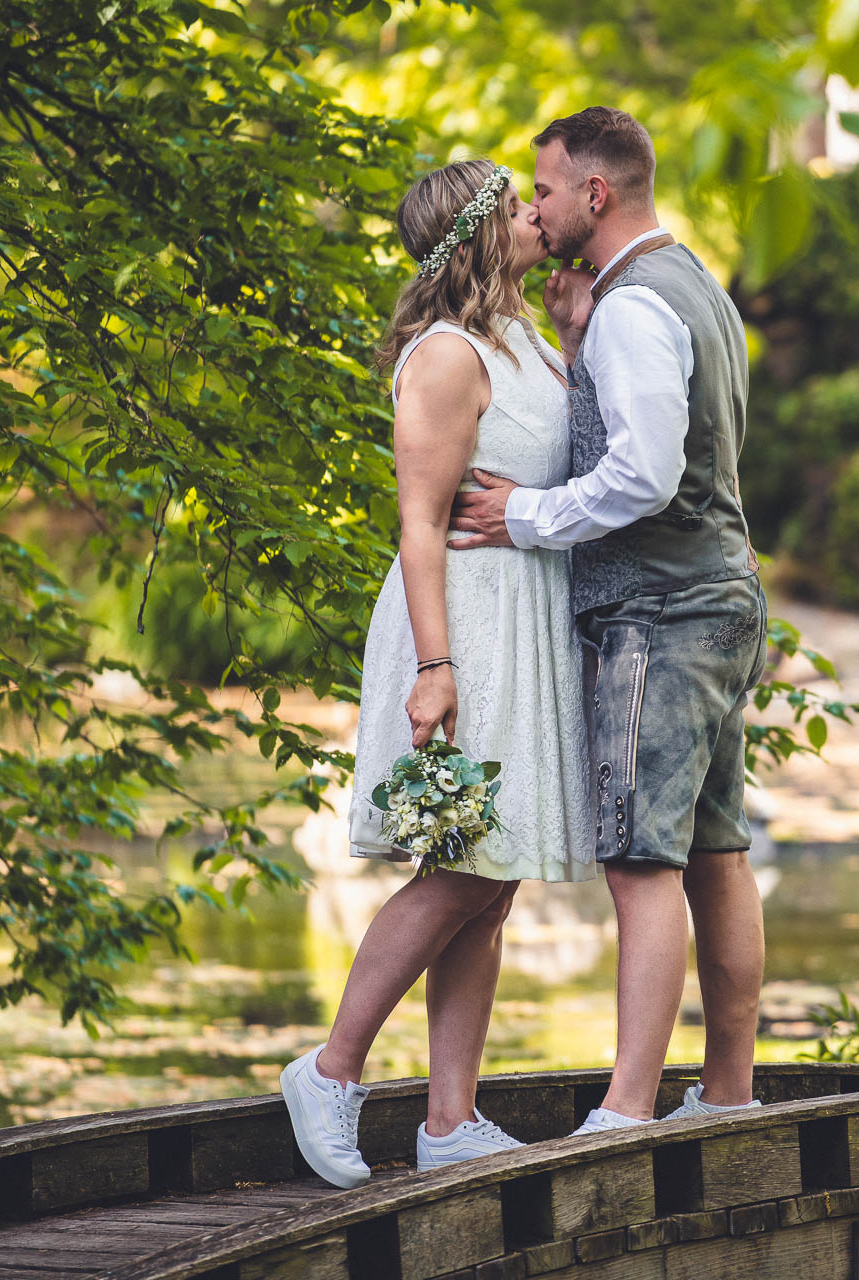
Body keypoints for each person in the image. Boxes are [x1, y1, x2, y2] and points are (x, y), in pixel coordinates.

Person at [449, 106, 770, 1135]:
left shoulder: (636, 307)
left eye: (542, 190)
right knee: (717, 852)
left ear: (597, 193)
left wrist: (523, 514)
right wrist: (580, 333)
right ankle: (726, 1090)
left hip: (660, 610)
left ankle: (627, 1108)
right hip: (721, 595)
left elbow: (643, 472)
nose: (532, 208)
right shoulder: (693, 286)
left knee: (640, 864)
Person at [279, 158, 594, 1189]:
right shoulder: (446, 355)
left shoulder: (524, 338)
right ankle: (329, 1069)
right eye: (515, 206)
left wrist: (577, 329)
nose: (535, 214)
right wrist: (435, 666)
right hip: (465, 619)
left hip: (526, 610)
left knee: (490, 879)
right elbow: (418, 522)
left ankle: (451, 1116)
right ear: (474, 233)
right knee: (463, 860)